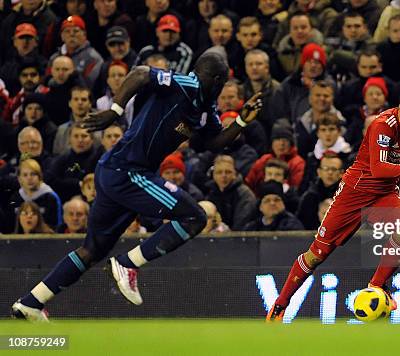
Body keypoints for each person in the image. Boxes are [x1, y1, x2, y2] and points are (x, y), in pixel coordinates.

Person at [12, 52, 263, 322]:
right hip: (127, 171)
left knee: (92, 250)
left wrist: (241, 122)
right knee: (195, 217)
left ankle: (31, 303)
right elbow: (142, 73)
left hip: (115, 171)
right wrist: (115, 110)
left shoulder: (205, 108)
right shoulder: (182, 84)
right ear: (215, 80)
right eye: (223, 82)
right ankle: (127, 264)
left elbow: (211, 143)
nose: (223, 88)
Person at [266, 84, 400, 321]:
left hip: (384, 194)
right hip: (354, 193)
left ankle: (375, 287)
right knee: (317, 254)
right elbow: (379, 168)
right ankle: (279, 306)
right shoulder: (382, 126)